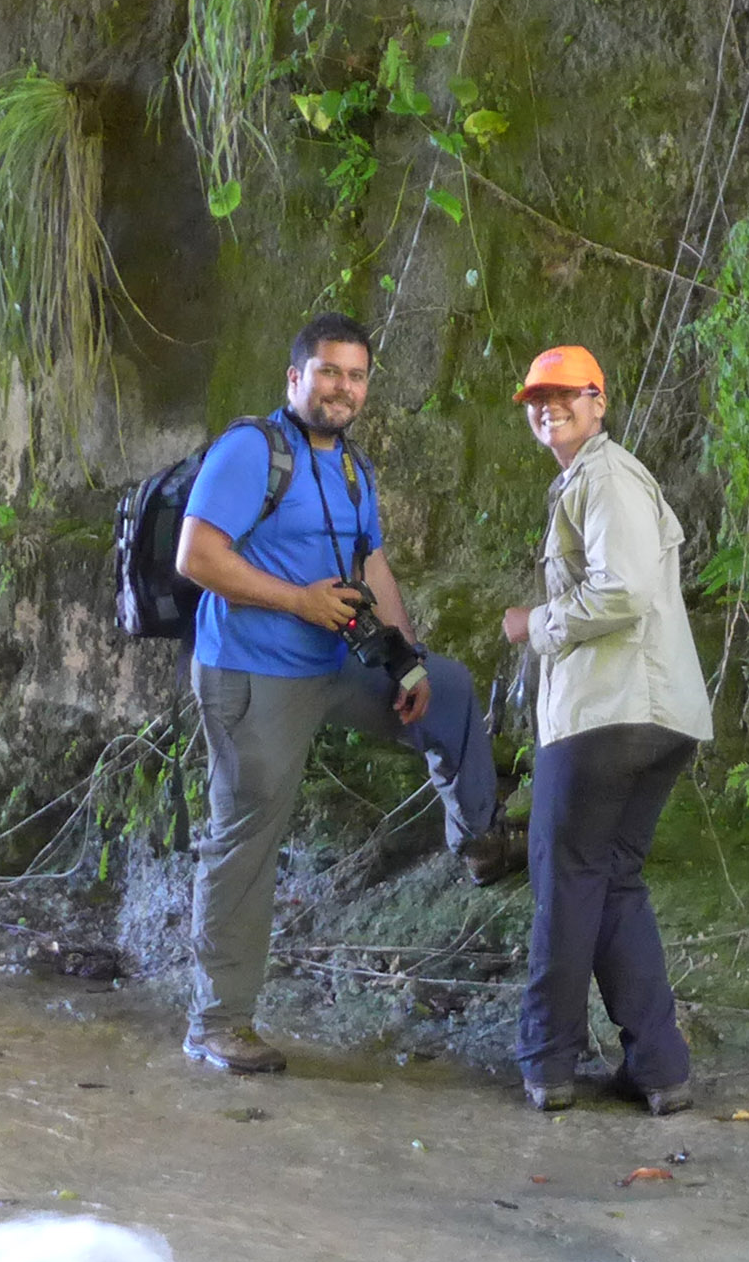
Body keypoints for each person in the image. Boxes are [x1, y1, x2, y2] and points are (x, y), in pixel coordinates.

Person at [175, 312, 515, 1074]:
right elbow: (196, 555)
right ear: (295, 378)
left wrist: (406, 662)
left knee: (450, 688)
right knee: (247, 836)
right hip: (254, 672)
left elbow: (376, 565)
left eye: (356, 376)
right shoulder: (250, 452)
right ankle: (218, 1023)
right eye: (328, 372)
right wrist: (297, 601)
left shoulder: (353, 469)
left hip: (334, 663)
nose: (342, 388)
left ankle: (480, 840)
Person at [500, 345, 711, 1116]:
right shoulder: (594, 479)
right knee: (611, 881)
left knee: (565, 876)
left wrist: (536, 624)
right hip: (657, 718)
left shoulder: (607, 476)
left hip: (607, 716)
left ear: (599, 400)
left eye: (563, 394)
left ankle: (547, 1062)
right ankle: (659, 1068)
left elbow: (621, 592)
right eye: (535, 398)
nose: (546, 406)